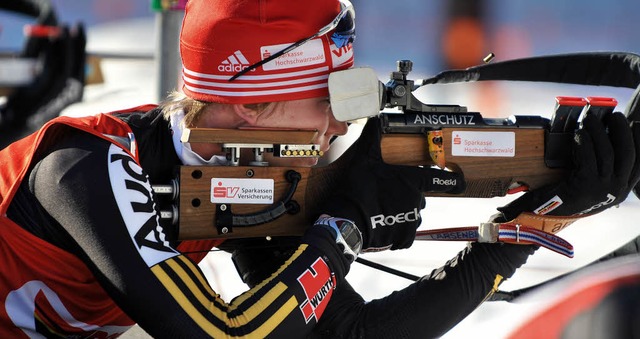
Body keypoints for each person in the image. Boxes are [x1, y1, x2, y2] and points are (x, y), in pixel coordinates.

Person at [0, 0, 638, 337]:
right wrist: (342, 231)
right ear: (252, 105)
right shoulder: (85, 168)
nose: (339, 126)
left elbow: (346, 337)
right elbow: (227, 337)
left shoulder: (242, 172)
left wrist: (516, 233)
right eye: (326, 102)